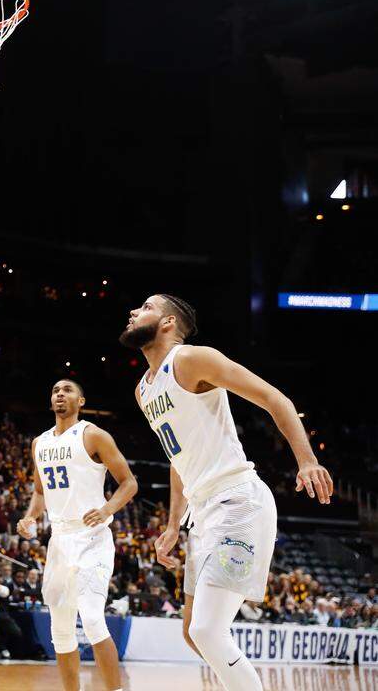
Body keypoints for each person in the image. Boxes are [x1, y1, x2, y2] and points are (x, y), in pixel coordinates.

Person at [120, 294, 333, 691]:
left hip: (237, 501)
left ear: (168, 323)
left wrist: (306, 460)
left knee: (206, 630)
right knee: (192, 632)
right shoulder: (144, 390)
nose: (134, 312)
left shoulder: (191, 358)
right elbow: (177, 458)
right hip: (203, 514)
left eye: (146, 307)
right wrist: (171, 526)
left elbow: (275, 398)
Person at [16, 379, 136, 691]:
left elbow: (129, 483)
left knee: (94, 619)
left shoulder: (93, 434)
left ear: (81, 401)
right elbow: (40, 492)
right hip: (59, 540)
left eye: (67, 390)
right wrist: (30, 517)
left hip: (92, 536)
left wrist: (107, 509)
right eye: (55, 390)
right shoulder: (39, 443)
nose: (59, 394)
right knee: (60, 629)